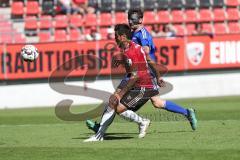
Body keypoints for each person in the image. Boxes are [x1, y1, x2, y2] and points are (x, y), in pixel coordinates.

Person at [86, 9, 197, 136]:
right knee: (146, 101)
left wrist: (155, 75)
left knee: (145, 102)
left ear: (140, 20)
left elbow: (145, 52)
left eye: (133, 19)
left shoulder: (143, 34)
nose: (130, 21)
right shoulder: (133, 33)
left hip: (145, 73)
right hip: (137, 71)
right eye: (129, 19)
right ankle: (187, 113)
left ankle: (185, 113)